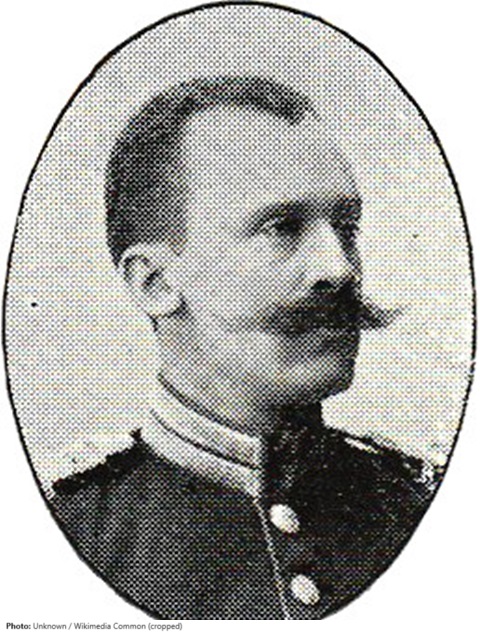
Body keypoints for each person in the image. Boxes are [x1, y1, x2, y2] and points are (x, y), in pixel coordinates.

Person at [51, 76, 440, 620]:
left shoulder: (421, 509)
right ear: (155, 283)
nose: (339, 268)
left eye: (346, 226)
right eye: (282, 228)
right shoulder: (66, 537)